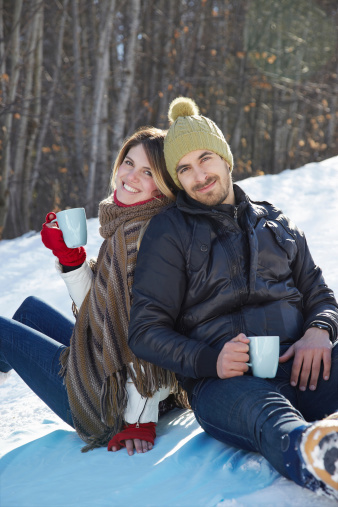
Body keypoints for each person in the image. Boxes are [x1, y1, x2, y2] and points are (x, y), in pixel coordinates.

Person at [128, 98, 338, 497]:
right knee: (270, 417)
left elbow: (320, 293)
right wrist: (212, 360)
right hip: (226, 384)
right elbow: (145, 330)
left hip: (304, 366)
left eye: (205, 158)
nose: (199, 175)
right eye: (184, 169)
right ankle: (322, 457)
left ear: (226, 158)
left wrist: (319, 330)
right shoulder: (169, 232)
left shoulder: (276, 221)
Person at [0, 126, 185, 455]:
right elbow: (99, 308)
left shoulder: (141, 240)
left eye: (148, 172)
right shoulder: (132, 223)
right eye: (129, 162)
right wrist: (69, 258)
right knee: (28, 310)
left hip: (108, 407)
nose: (131, 175)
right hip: (109, 374)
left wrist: (138, 422)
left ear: (164, 186)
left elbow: (148, 339)